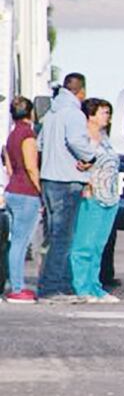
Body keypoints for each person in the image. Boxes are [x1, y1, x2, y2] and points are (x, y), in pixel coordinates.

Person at [37, 73, 97, 303]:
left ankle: (50, 282)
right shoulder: (73, 113)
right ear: (80, 91)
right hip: (67, 180)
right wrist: (91, 157)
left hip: (49, 179)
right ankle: (52, 287)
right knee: (63, 237)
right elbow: (76, 141)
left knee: (53, 235)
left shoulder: (51, 113)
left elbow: (41, 143)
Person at [69, 99, 121, 304]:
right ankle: (81, 286)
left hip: (110, 195)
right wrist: (85, 184)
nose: (107, 116)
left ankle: (95, 285)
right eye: (103, 112)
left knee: (99, 244)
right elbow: (79, 165)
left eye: (108, 113)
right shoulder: (83, 138)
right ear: (90, 115)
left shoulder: (105, 138)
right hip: (92, 194)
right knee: (85, 244)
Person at [3, 97, 43, 303]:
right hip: (26, 192)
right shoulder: (28, 135)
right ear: (31, 113)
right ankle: (18, 287)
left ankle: (13, 283)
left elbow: (10, 167)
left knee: (13, 242)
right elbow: (31, 167)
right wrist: (40, 191)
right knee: (21, 242)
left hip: (12, 189)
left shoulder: (11, 136)